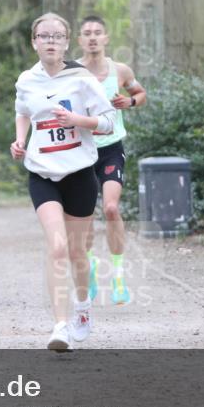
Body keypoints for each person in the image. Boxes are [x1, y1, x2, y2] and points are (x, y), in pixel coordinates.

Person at [11, 13, 116, 351]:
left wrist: (76, 119)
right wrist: (20, 140)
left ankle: (83, 308)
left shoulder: (82, 78)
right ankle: (60, 326)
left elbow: (107, 123)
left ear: (66, 42)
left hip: (80, 174)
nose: (50, 41)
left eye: (57, 36)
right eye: (44, 36)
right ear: (34, 42)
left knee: (77, 251)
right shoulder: (27, 79)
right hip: (42, 173)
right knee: (56, 246)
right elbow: (23, 109)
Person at [76, 15, 147, 305]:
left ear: (106, 39)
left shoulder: (120, 70)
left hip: (110, 149)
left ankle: (118, 275)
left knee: (111, 208)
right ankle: (91, 270)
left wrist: (129, 102)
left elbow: (140, 93)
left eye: (97, 33)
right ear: (80, 40)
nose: (92, 38)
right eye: (87, 33)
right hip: (81, 150)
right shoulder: (71, 72)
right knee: (86, 216)